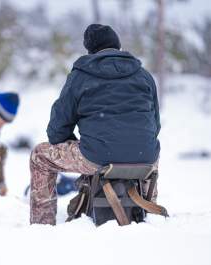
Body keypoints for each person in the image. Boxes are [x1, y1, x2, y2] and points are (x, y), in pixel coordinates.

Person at [29, 24, 161, 225]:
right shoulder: (144, 76)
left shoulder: (81, 76)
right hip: (145, 158)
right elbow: (155, 125)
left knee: (40, 156)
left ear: (90, 50)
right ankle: (150, 214)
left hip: (97, 156)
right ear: (118, 46)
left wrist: (80, 143)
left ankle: (42, 225)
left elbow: (56, 130)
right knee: (147, 148)